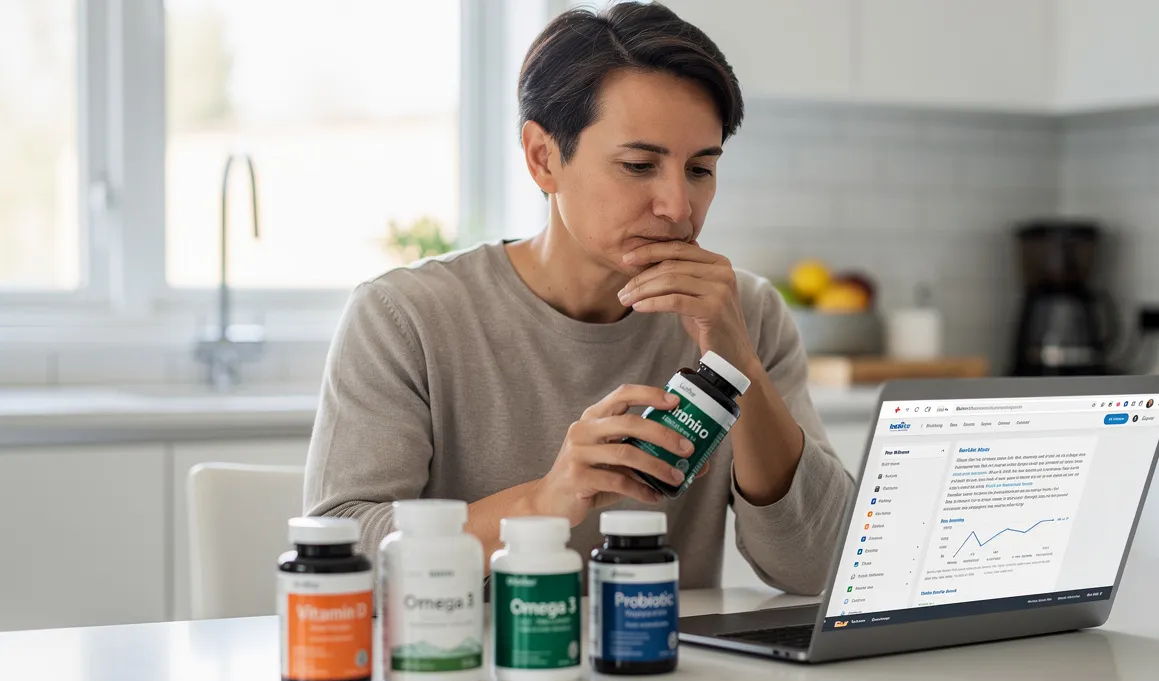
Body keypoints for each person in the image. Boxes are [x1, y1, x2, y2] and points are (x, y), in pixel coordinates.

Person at [304, 2, 854, 595]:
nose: (677, 206)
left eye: (700, 169)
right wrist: (544, 500)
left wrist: (739, 365)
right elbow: (343, 553)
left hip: (667, 680)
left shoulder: (746, 314)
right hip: (465, 675)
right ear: (543, 158)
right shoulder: (404, 317)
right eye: (639, 165)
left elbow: (823, 567)